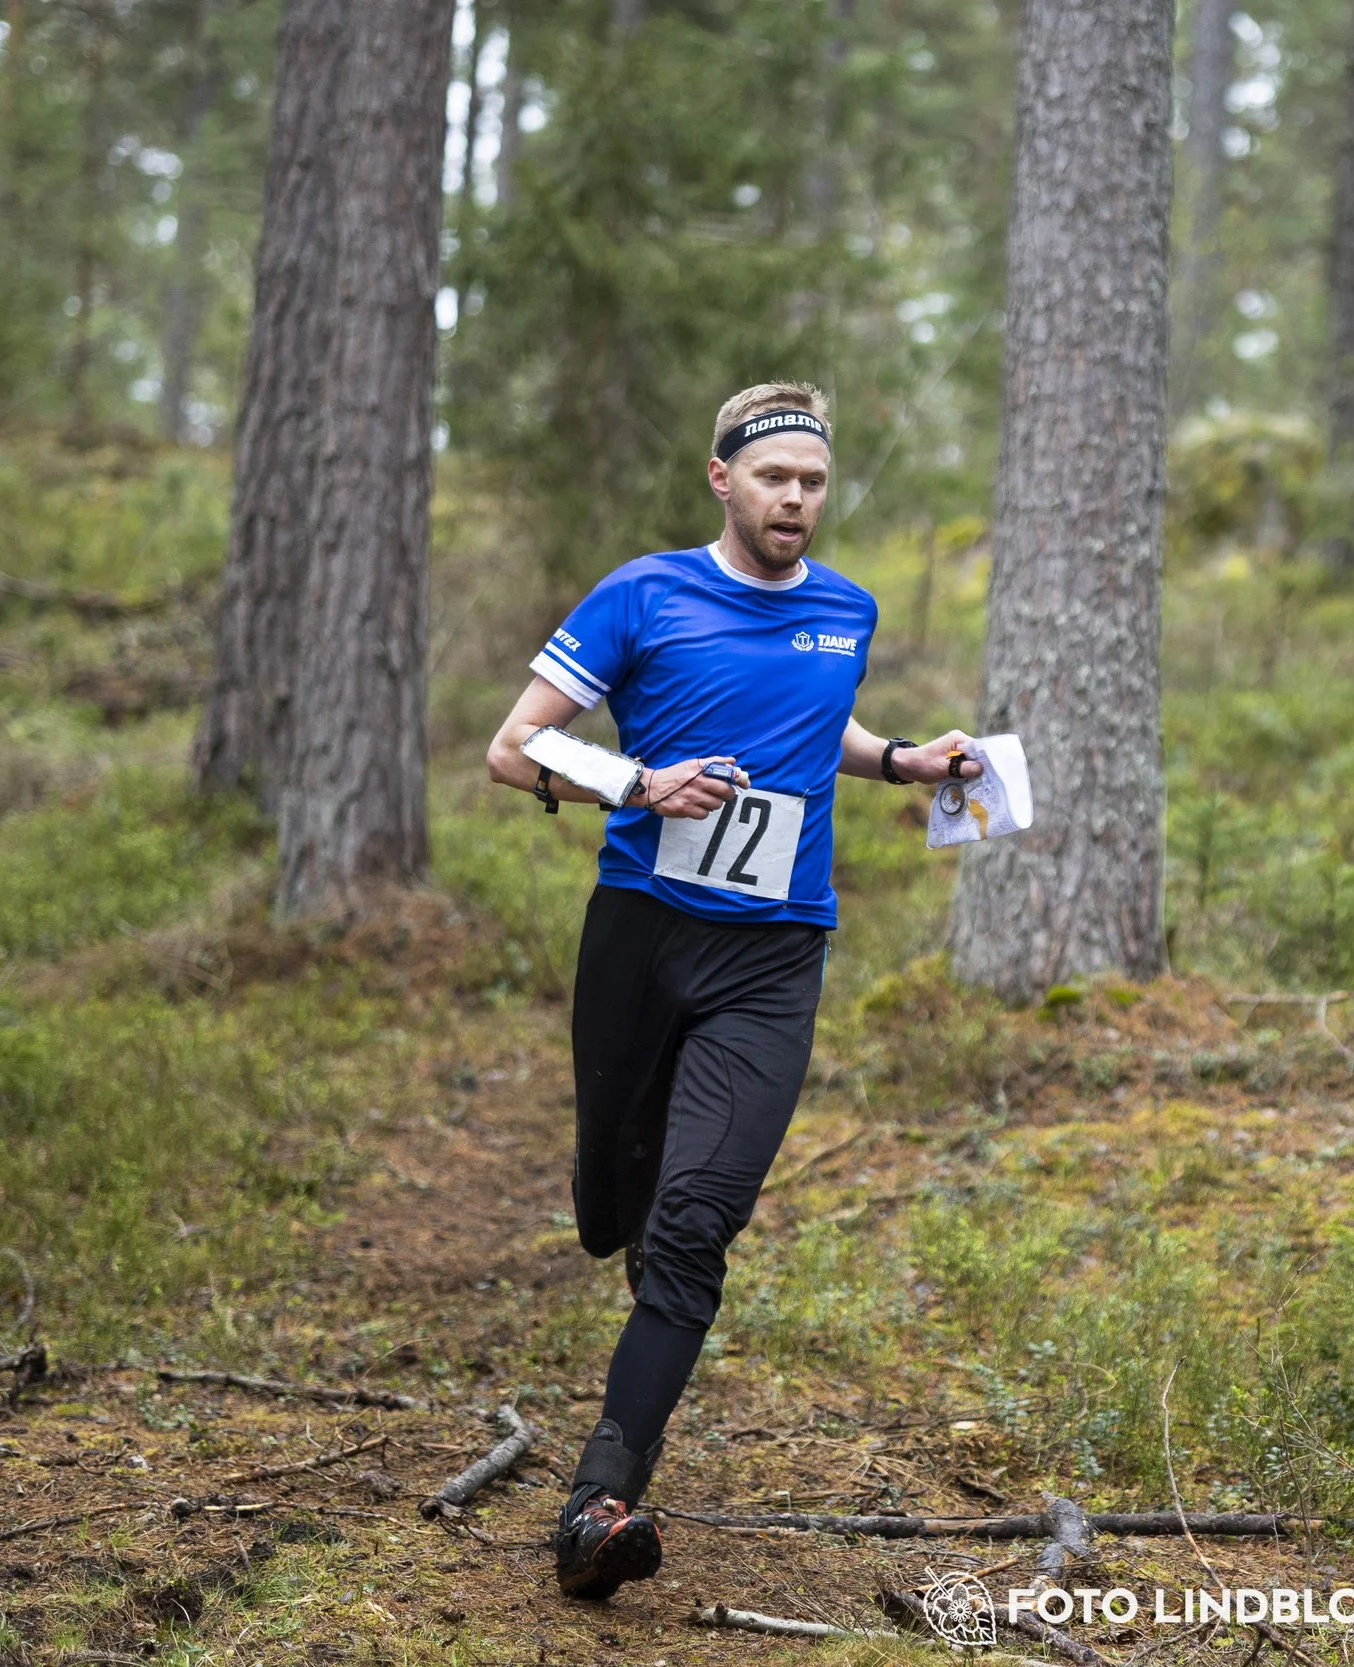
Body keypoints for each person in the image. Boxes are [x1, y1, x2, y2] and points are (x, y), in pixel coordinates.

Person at [484, 382, 975, 1600]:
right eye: (773, 477)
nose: (795, 498)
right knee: (613, 1200)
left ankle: (598, 1501)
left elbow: (818, 725)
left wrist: (901, 758)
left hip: (774, 954)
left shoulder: (846, 609)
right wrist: (636, 782)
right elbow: (516, 743)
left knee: (696, 1225)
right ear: (722, 479)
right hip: (641, 937)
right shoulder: (643, 594)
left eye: (813, 480)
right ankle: (633, 1209)